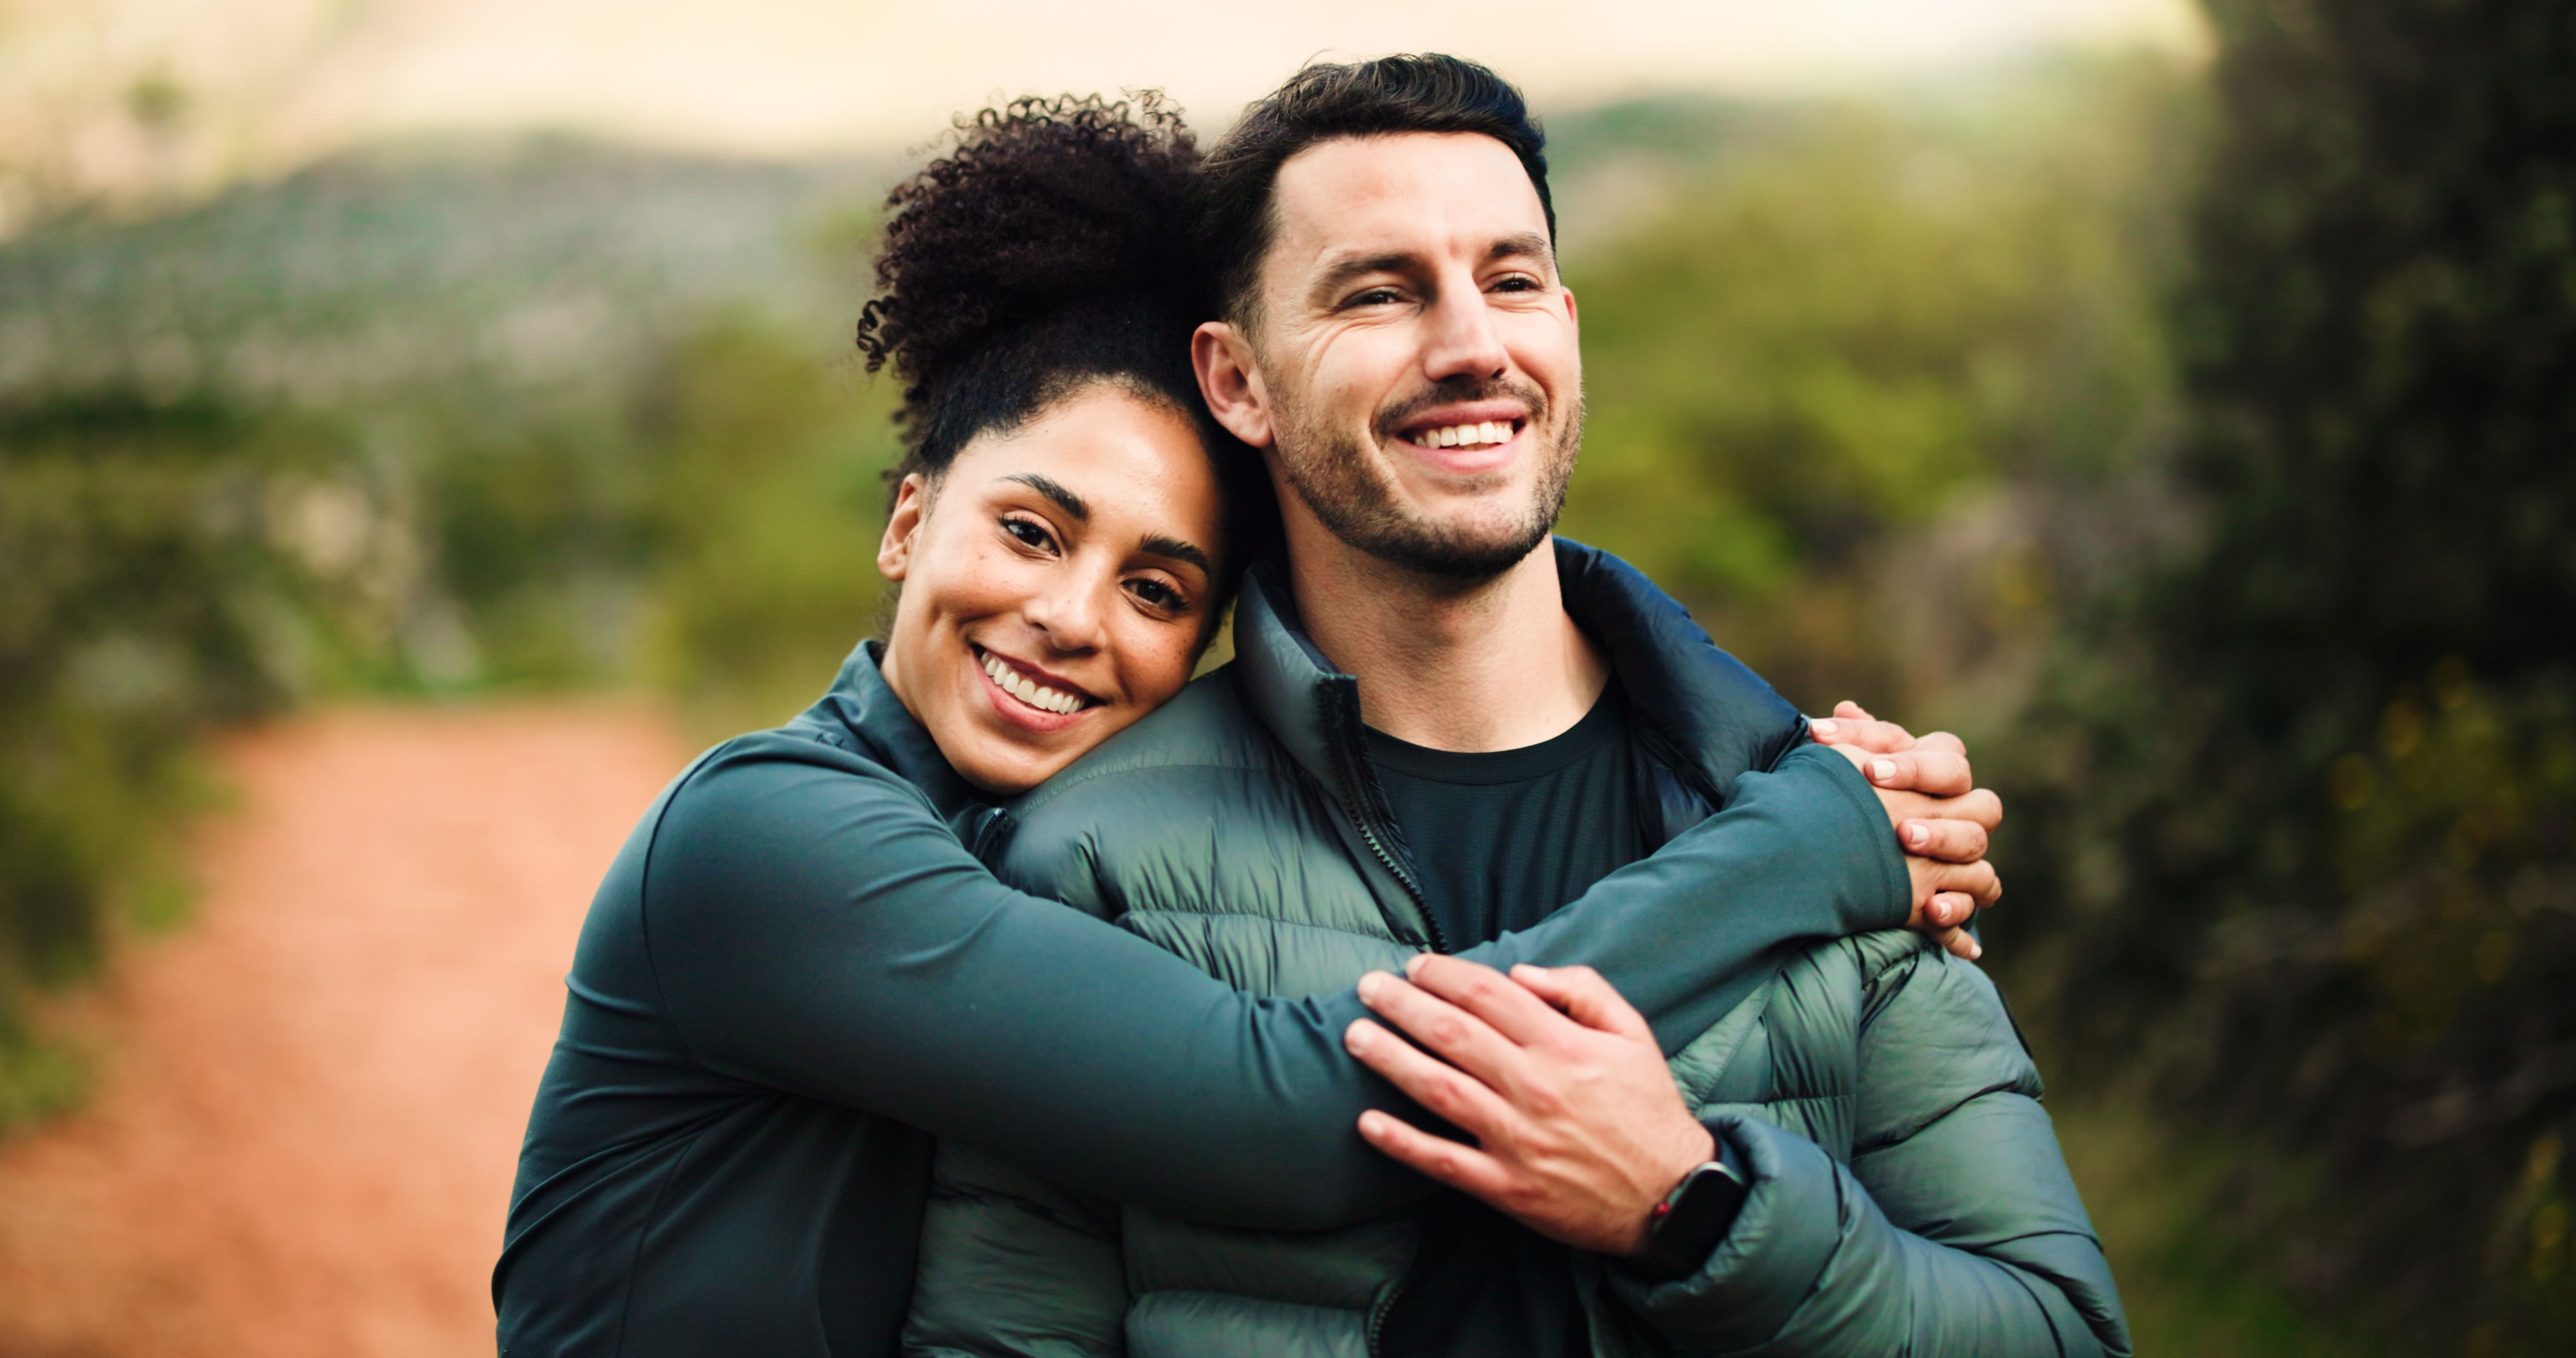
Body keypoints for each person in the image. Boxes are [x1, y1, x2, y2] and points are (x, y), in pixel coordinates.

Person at [492, 93, 1997, 1358]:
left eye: (1156, 585)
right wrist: (1807, 843)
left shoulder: (1031, 846)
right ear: (905, 520)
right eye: (1029, 531)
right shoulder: (765, 836)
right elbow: (1281, 1113)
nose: (1075, 618)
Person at [898, 57, 2129, 1358]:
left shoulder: (1841, 812)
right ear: (1237, 382)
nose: (1471, 345)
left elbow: (2057, 1334)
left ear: (1564, 321)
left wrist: (1696, 1213)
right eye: (1378, 292)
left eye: (1510, 279)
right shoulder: (1089, 863)